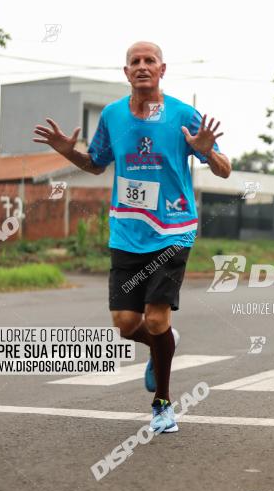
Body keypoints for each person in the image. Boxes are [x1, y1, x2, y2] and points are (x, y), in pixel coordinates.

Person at [33, 41, 231, 433]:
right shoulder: (111, 115)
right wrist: (67, 153)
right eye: (135, 62)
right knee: (126, 323)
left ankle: (162, 405)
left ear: (162, 69)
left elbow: (224, 170)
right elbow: (95, 164)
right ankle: (164, 343)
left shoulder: (182, 114)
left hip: (173, 229)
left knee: (155, 320)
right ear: (126, 72)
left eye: (149, 61)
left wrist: (208, 153)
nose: (142, 67)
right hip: (126, 230)